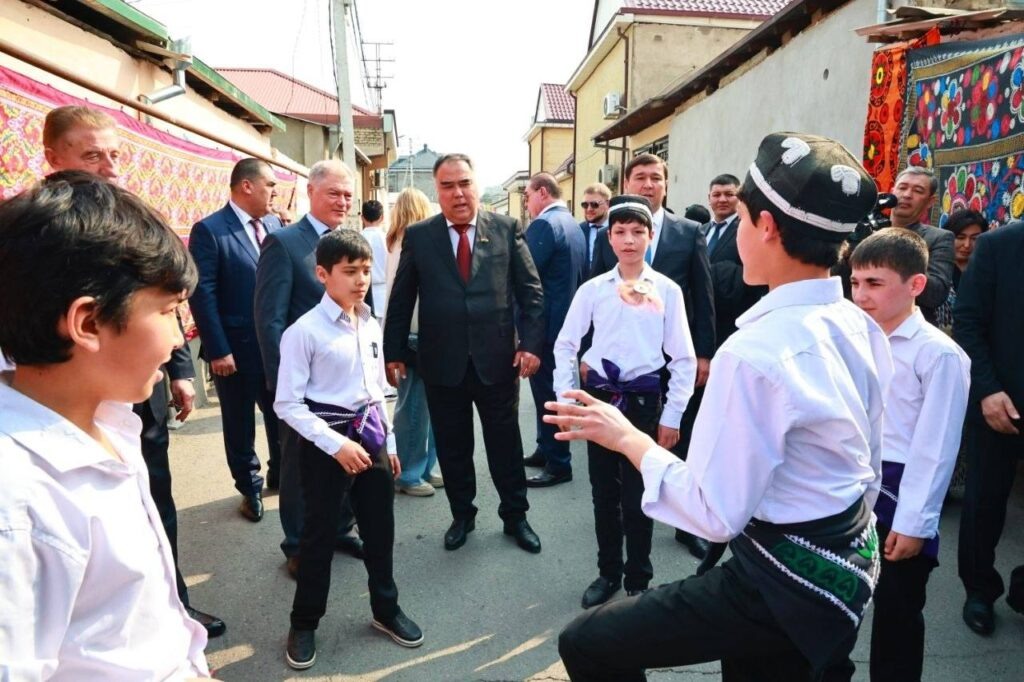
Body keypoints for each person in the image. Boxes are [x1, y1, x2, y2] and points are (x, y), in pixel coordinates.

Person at [547, 132, 891, 681]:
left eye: (743, 219)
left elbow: (712, 512)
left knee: (588, 641)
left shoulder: (754, 353)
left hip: (782, 577)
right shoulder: (858, 323)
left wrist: (626, 436)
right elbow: (870, 457)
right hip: (847, 562)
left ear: (766, 226)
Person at [0, 171, 209, 677]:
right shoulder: (17, 501)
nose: (178, 339)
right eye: (168, 312)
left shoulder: (109, 421)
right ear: (89, 323)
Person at [41, 104, 223, 636]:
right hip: (70, 403)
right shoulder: (37, 233)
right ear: (52, 156)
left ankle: (173, 607)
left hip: (141, 394)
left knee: (153, 495)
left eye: (115, 155)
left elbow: (166, 301)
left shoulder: (133, 216)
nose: (110, 168)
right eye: (92, 155)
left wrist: (179, 368)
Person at [383, 153, 546, 554]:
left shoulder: (506, 228)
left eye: (464, 183)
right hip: (442, 363)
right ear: (436, 191)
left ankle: (516, 516)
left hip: (497, 362)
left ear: (476, 185)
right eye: (448, 186)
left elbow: (531, 292)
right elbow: (401, 298)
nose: (458, 193)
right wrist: (394, 351)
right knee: (453, 447)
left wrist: (530, 344)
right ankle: (462, 516)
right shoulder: (420, 236)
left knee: (505, 445)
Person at [275, 229, 422, 670]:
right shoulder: (304, 332)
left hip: (371, 438)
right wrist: (337, 445)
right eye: (350, 271)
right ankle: (304, 622)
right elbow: (287, 404)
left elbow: (377, 391)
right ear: (323, 274)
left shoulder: (370, 323)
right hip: (325, 444)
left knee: (380, 530)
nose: (360, 280)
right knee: (318, 537)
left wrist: (388, 442)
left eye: (365, 271)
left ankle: (385, 609)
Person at [554, 194, 696, 608]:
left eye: (638, 231)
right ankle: (608, 571)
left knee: (640, 491)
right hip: (600, 399)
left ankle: (638, 577)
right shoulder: (593, 290)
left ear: (650, 236)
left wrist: (673, 415)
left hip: (644, 401)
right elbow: (566, 344)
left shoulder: (667, 290)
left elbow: (683, 358)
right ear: (609, 238)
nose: (629, 240)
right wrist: (568, 399)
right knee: (604, 492)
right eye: (620, 232)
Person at [848, 230, 970, 681]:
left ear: (916, 284)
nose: (861, 295)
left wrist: (914, 522)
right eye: (855, 282)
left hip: (902, 493)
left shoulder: (939, 354)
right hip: (849, 487)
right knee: (834, 607)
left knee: (897, 613)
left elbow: (936, 448)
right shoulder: (850, 339)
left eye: (874, 283)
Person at [591, 152, 714, 559]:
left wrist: (703, 354)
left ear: (666, 184)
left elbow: (703, 295)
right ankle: (625, 525)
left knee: (678, 442)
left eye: (656, 177)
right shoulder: (611, 233)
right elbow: (595, 291)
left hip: (676, 357)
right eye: (640, 177)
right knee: (621, 457)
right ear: (627, 183)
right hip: (622, 365)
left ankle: (685, 523)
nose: (648, 184)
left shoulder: (688, 232)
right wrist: (590, 353)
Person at [254, 159, 365, 577]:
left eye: (348, 194)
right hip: (303, 387)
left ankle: (340, 530)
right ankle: (298, 545)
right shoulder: (284, 244)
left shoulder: (350, 242)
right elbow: (270, 320)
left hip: (345, 382)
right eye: (334, 193)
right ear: (311, 192)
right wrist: (285, 385)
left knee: (345, 459)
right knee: (299, 469)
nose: (342, 201)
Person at [188, 158, 283, 523]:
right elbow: (203, 294)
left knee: (281, 414)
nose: (274, 192)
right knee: (240, 422)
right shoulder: (211, 230)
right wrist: (218, 349)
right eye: (270, 185)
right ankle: (249, 487)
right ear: (247, 186)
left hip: (274, 347)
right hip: (235, 351)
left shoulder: (274, 225)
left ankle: (280, 472)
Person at [953, 219, 1024, 636]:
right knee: (984, 503)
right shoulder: (999, 246)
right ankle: (979, 590)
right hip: (1000, 402)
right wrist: (988, 390)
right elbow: (968, 323)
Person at [522, 172, 587, 487]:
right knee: (547, 391)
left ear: (542, 192)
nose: (526, 202)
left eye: (527, 195)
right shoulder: (573, 224)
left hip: (546, 328)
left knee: (548, 393)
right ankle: (546, 448)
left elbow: (526, 276)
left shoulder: (545, 225)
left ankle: (559, 463)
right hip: (565, 323)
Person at [384, 187, 442, 497]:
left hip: (410, 331)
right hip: (415, 332)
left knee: (422, 407)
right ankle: (409, 473)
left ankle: (422, 468)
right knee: (416, 409)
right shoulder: (414, 242)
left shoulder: (394, 240)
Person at [887, 166, 954, 324]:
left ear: (930, 201)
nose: (907, 195)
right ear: (891, 192)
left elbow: (935, 295)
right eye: (902, 188)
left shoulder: (939, 238)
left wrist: (894, 249)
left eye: (918, 191)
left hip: (909, 328)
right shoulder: (867, 230)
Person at [935, 208, 988, 332]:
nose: (967, 245)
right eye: (960, 237)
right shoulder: (937, 271)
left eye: (974, 238)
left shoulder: (987, 274)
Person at [361, 199, 389, 326]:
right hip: (385, 293)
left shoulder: (357, 238)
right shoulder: (388, 238)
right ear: (382, 217)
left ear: (362, 217)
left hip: (362, 293)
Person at [577, 182, 611, 270]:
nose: (589, 209)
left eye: (594, 204)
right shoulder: (578, 230)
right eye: (585, 205)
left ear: (607, 204)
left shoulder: (617, 230)